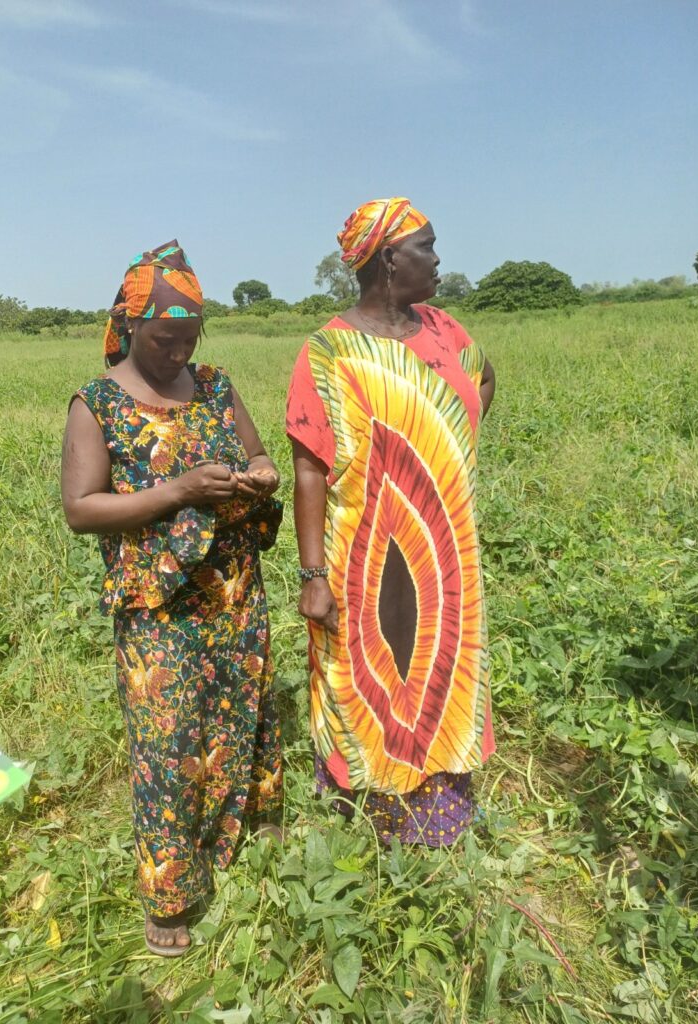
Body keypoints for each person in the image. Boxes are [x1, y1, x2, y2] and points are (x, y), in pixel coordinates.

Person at [62, 241, 283, 955]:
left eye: (190, 337)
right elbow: (82, 507)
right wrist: (179, 492)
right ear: (130, 329)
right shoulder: (98, 403)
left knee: (242, 712)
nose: (179, 351)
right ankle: (170, 895)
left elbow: (258, 455)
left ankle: (253, 827)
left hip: (234, 590)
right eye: (165, 338)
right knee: (166, 741)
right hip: (158, 606)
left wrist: (260, 477)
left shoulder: (215, 385)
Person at [286, 198, 496, 848]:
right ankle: (372, 824)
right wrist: (314, 573)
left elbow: (484, 379)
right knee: (369, 674)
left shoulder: (447, 330)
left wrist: (445, 442)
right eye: (426, 247)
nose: (437, 259)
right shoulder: (327, 354)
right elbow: (309, 472)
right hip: (364, 552)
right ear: (387, 259)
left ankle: (441, 819)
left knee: (444, 672)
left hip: (448, 550)